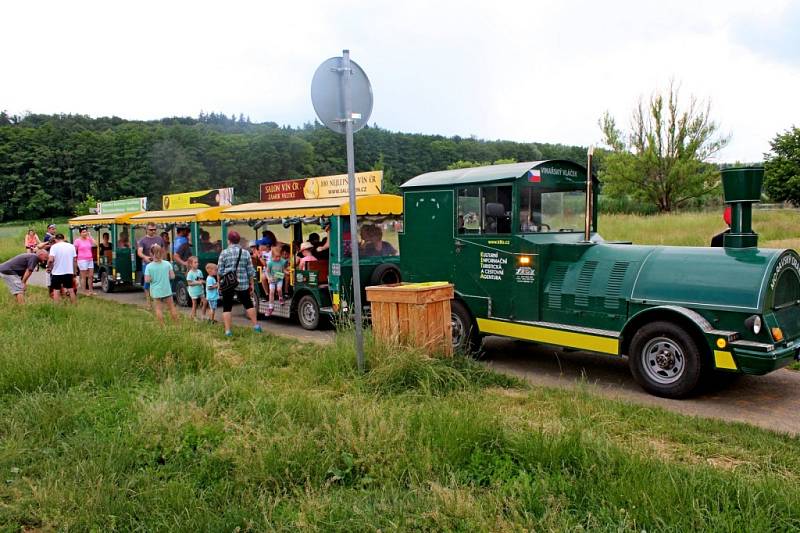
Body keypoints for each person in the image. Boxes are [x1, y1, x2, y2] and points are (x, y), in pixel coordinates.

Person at [217, 230, 261, 336]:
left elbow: (220, 271)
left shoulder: (224, 253)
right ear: (238, 241)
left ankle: (228, 331)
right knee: (248, 305)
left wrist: (219, 284)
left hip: (228, 283)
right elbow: (250, 271)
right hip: (243, 283)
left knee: (227, 307)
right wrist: (251, 285)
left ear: (229, 241)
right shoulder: (245, 253)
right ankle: (256, 326)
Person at [143, 244, 178, 325]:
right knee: (171, 307)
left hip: (156, 290)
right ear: (162, 252)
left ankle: (162, 326)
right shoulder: (167, 264)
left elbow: (147, 280)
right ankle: (177, 325)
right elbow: (172, 276)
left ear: (151, 253)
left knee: (158, 309)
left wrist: (153, 278)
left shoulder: (148, 266)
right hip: (166, 289)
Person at [137, 223, 165, 308]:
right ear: (146, 230)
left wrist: (164, 259)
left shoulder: (159, 239)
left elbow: (163, 250)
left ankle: (158, 301)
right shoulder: (143, 240)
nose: (153, 231)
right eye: (151, 230)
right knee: (147, 283)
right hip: (147, 264)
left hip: (158, 263)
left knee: (158, 281)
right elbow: (139, 252)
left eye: (154, 229)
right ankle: (148, 303)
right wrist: (145, 257)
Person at [47, 234, 78, 304]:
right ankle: (74, 305)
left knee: (56, 290)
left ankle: (57, 307)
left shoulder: (54, 247)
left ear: (55, 239)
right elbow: (74, 260)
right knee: (70, 289)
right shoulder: (71, 246)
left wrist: (48, 267)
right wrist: (75, 272)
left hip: (57, 272)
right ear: (64, 239)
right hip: (68, 272)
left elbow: (51, 260)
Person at [264, 243, 287, 316]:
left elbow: (283, 270)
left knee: (279, 289)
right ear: (272, 256)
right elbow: (267, 272)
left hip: (279, 278)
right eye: (276, 257)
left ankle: (280, 297)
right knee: (271, 292)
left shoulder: (282, 261)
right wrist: (268, 278)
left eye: (279, 256)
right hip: (272, 279)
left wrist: (286, 272)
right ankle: (271, 307)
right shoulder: (270, 263)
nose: (278, 258)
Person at [74, 226, 96, 296]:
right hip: (82, 260)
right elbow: (74, 251)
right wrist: (75, 260)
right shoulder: (77, 241)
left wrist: (90, 236)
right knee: (84, 276)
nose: (85, 233)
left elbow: (96, 244)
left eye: (86, 231)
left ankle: (91, 290)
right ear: (80, 233)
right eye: (83, 232)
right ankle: (84, 291)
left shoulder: (89, 239)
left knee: (91, 275)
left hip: (90, 259)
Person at [186, 256, 205, 320]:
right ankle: (194, 317)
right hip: (193, 291)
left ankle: (203, 315)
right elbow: (189, 283)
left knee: (205, 302)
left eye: (197, 262)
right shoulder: (190, 273)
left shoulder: (199, 271)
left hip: (200, 290)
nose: (197, 263)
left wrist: (205, 282)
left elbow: (201, 280)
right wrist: (197, 283)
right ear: (191, 264)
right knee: (195, 304)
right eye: (195, 262)